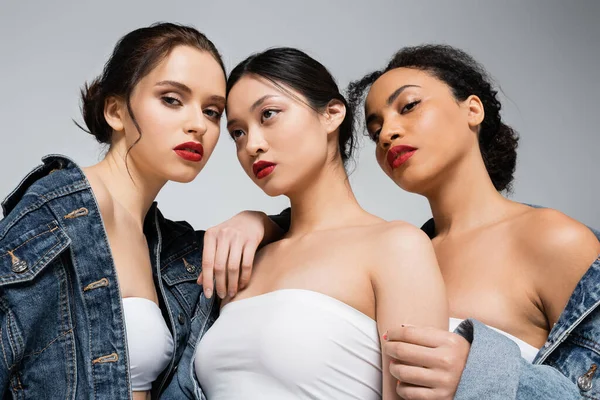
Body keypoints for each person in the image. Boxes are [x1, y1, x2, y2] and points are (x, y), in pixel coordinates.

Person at [0, 22, 284, 399]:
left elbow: (322, 227)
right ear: (116, 111)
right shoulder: (61, 214)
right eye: (171, 99)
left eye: (212, 111)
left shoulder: (170, 249)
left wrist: (259, 221)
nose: (198, 124)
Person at [167, 47, 448, 400]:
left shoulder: (396, 247)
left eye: (268, 114)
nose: (252, 144)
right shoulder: (243, 257)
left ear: (331, 114)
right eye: (237, 133)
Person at [345, 44, 600, 399]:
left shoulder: (552, 238)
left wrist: (481, 372)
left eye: (408, 107)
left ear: (472, 110)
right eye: (375, 132)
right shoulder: (397, 259)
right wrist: (266, 224)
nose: (388, 133)